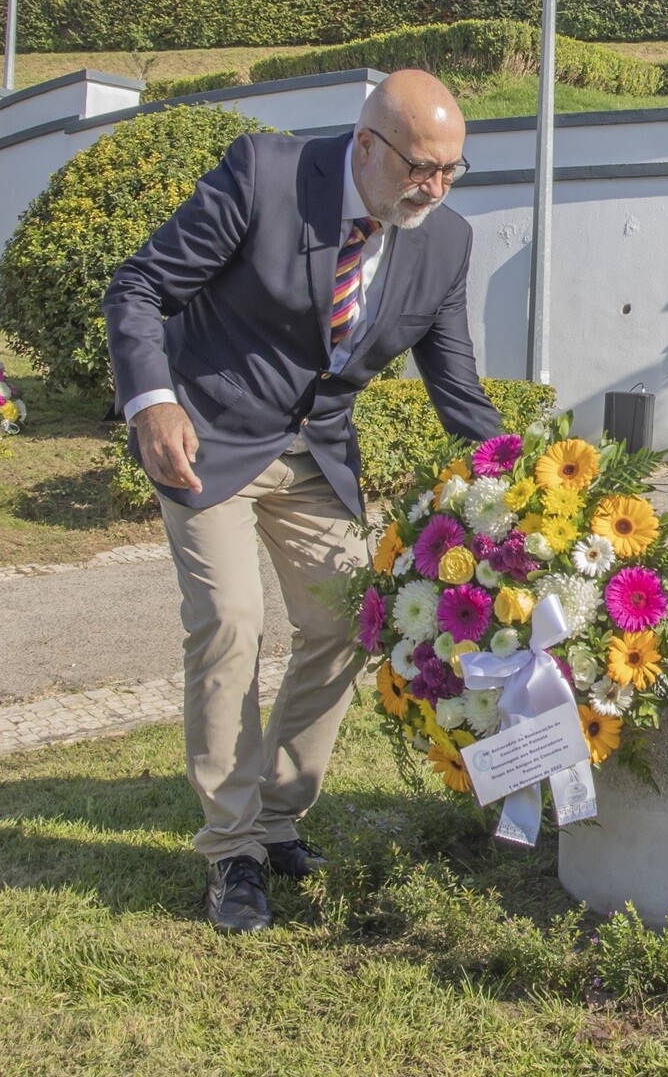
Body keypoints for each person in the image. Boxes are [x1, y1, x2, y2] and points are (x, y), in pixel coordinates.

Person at [104, 69, 503, 934]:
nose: (433, 187)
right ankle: (231, 849)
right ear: (367, 144)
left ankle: (278, 816)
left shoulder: (446, 241)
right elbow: (138, 287)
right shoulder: (264, 176)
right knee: (231, 619)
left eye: (451, 170)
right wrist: (151, 400)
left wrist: (524, 473)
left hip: (315, 456)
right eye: (419, 167)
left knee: (348, 621)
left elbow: (455, 383)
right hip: (205, 441)